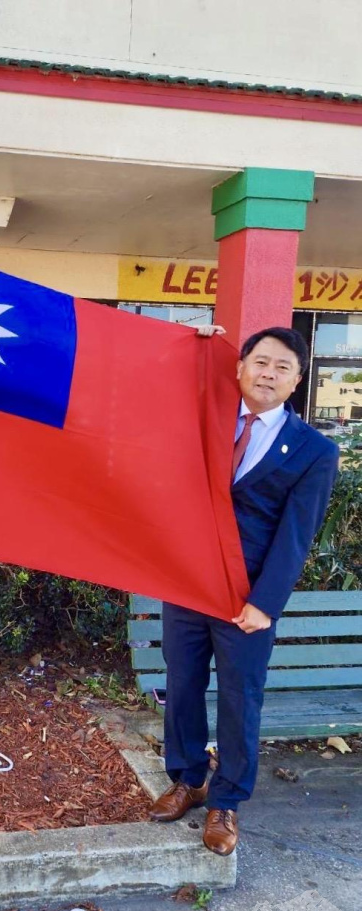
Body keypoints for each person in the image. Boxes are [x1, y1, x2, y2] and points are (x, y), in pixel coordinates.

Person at [149, 325, 338, 856]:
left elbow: (295, 535)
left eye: (282, 367)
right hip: (186, 582)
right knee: (182, 685)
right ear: (240, 367)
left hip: (246, 598)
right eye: (260, 362)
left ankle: (225, 802)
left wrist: (265, 604)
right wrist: (191, 349)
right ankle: (187, 779)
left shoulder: (314, 450)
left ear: (297, 380)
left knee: (239, 699)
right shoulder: (206, 422)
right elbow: (155, 395)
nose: (268, 373)